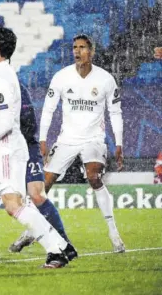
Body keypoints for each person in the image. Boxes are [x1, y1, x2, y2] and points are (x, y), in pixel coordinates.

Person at [0, 27, 75, 268]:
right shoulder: (1, 74)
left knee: (13, 205)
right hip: (7, 149)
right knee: (21, 204)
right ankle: (61, 246)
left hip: (5, 150)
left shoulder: (0, 77)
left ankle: (56, 250)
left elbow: (5, 121)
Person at [40, 34, 125, 253]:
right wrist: (42, 138)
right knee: (43, 185)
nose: (77, 51)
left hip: (93, 139)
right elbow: (48, 109)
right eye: (75, 48)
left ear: (92, 51)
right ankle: (34, 229)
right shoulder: (61, 77)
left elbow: (115, 112)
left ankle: (113, 232)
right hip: (66, 139)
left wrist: (119, 143)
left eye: (83, 48)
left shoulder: (105, 79)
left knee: (93, 176)